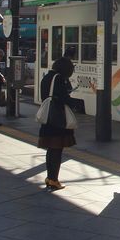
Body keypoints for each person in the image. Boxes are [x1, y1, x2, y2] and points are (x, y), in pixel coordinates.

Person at [38, 57, 77, 190]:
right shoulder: (59, 79)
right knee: (56, 149)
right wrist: (76, 104)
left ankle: (50, 177)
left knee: (50, 149)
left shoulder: (46, 77)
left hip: (48, 118)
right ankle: (54, 179)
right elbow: (63, 99)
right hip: (58, 119)